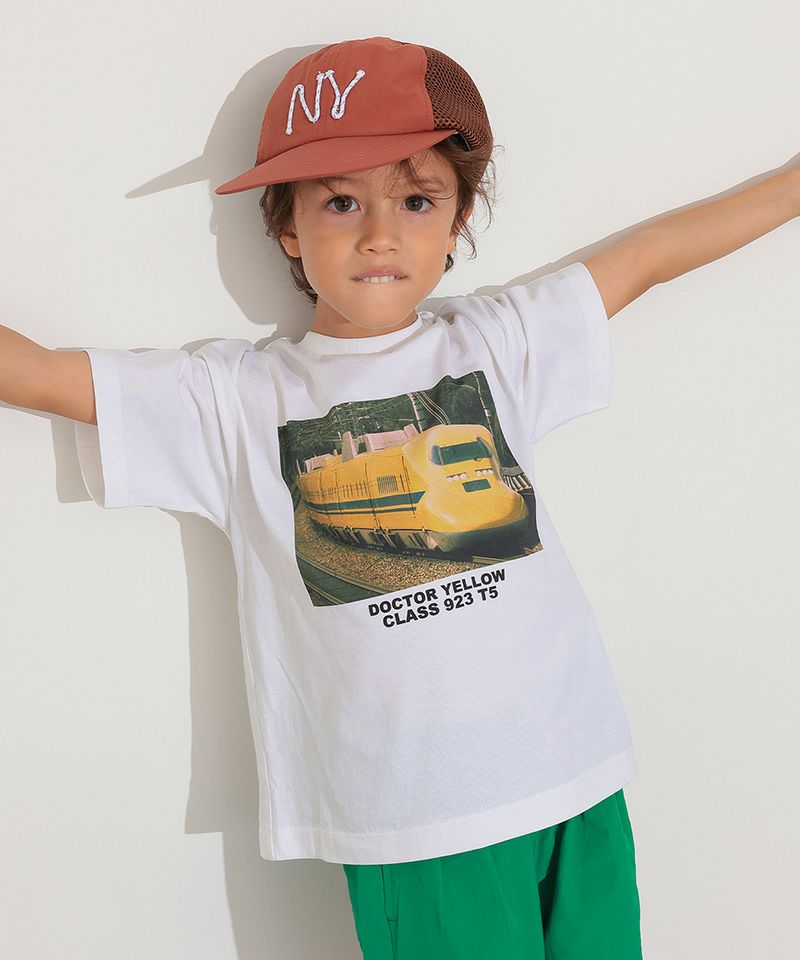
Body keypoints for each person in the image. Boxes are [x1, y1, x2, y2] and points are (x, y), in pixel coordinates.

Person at [2, 34, 797, 960]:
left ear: (457, 222)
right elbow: (44, 375)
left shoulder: (496, 342)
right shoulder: (234, 400)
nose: (380, 233)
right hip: (420, 822)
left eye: (417, 200)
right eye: (342, 201)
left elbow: (650, 255)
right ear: (287, 227)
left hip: (576, 772)